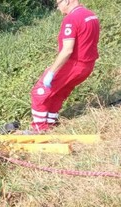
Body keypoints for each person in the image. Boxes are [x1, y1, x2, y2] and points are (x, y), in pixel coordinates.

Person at [30, 0, 100, 133]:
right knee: (58, 93)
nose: (58, 8)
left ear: (67, 1)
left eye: (58, 4)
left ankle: (39, 129)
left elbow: (67, 50)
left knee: (39, 92)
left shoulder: (71, 19)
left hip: (74, 64)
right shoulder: (91, 15)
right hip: (88, 65)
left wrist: (51, 72)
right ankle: (50, 124)